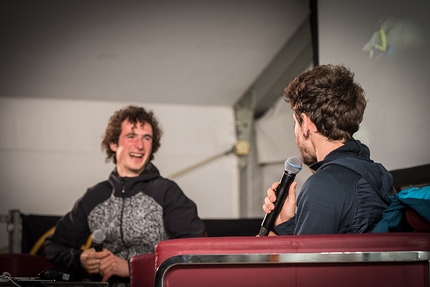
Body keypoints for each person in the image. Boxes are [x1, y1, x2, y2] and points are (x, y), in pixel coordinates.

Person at [42, 105, 205, 286]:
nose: (140, 145)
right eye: (131, 136)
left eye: (147, 138)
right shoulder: (95, 197)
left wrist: (132, 267)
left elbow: (195, 251)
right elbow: (51, 246)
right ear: (114, 143)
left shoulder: (167, 192)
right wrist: (80, 259)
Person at [262, 64, 395, 235]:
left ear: (306, 123)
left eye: (295, 122)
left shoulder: (323, 186)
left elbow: (303, 261)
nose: (295, 131)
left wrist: (271, 235)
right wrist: (285, 224)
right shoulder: (375, 174)